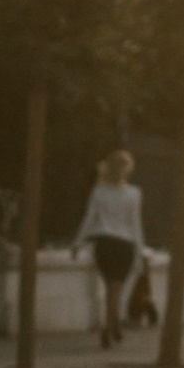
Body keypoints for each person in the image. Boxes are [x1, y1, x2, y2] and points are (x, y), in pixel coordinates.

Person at [75, 149, 146, 351]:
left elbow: (89, 219)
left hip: (104, 244)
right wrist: (140, 253)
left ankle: (114, 325)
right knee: (116, 288)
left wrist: (77, 243)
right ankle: (108, 326)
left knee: (109, 288)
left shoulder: (99, 191)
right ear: (128, 169)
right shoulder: (135, 193)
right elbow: (136, 225)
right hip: (124, 245)